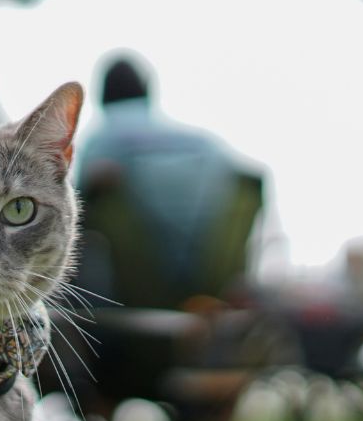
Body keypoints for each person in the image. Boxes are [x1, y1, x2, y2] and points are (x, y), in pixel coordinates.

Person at [72, 55, 258, 307]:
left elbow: (77, 214)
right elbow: (251, 180)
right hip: (213, 273)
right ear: (148, 91)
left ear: (102, 96)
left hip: (142, 282)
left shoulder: (102, 138)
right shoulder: (204, 142)